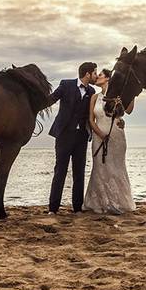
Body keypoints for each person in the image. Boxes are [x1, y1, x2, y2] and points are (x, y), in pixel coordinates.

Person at [46, 62, 99, 214]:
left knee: (79, 172)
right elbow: (51, 99)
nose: (96, 75)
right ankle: (53, 209)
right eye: (95, 73)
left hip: (81, 137)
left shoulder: (92, 91)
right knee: (60, 171)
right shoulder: (66, 85)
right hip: (64, 135)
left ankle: (77, 208)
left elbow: (93, 113)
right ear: (87, 74)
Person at [83, 68, 136, 214]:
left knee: (117, 167)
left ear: (107, 79)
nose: (97, 77)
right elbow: (91, 119)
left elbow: (129, 110)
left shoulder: (117, 96)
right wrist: (100, 134)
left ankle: (118, 202)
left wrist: (131, 94)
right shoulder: (94, 97)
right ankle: (100, 202)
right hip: (98, 136)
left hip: (116, 136)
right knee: (99, 167)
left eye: (100, 75)